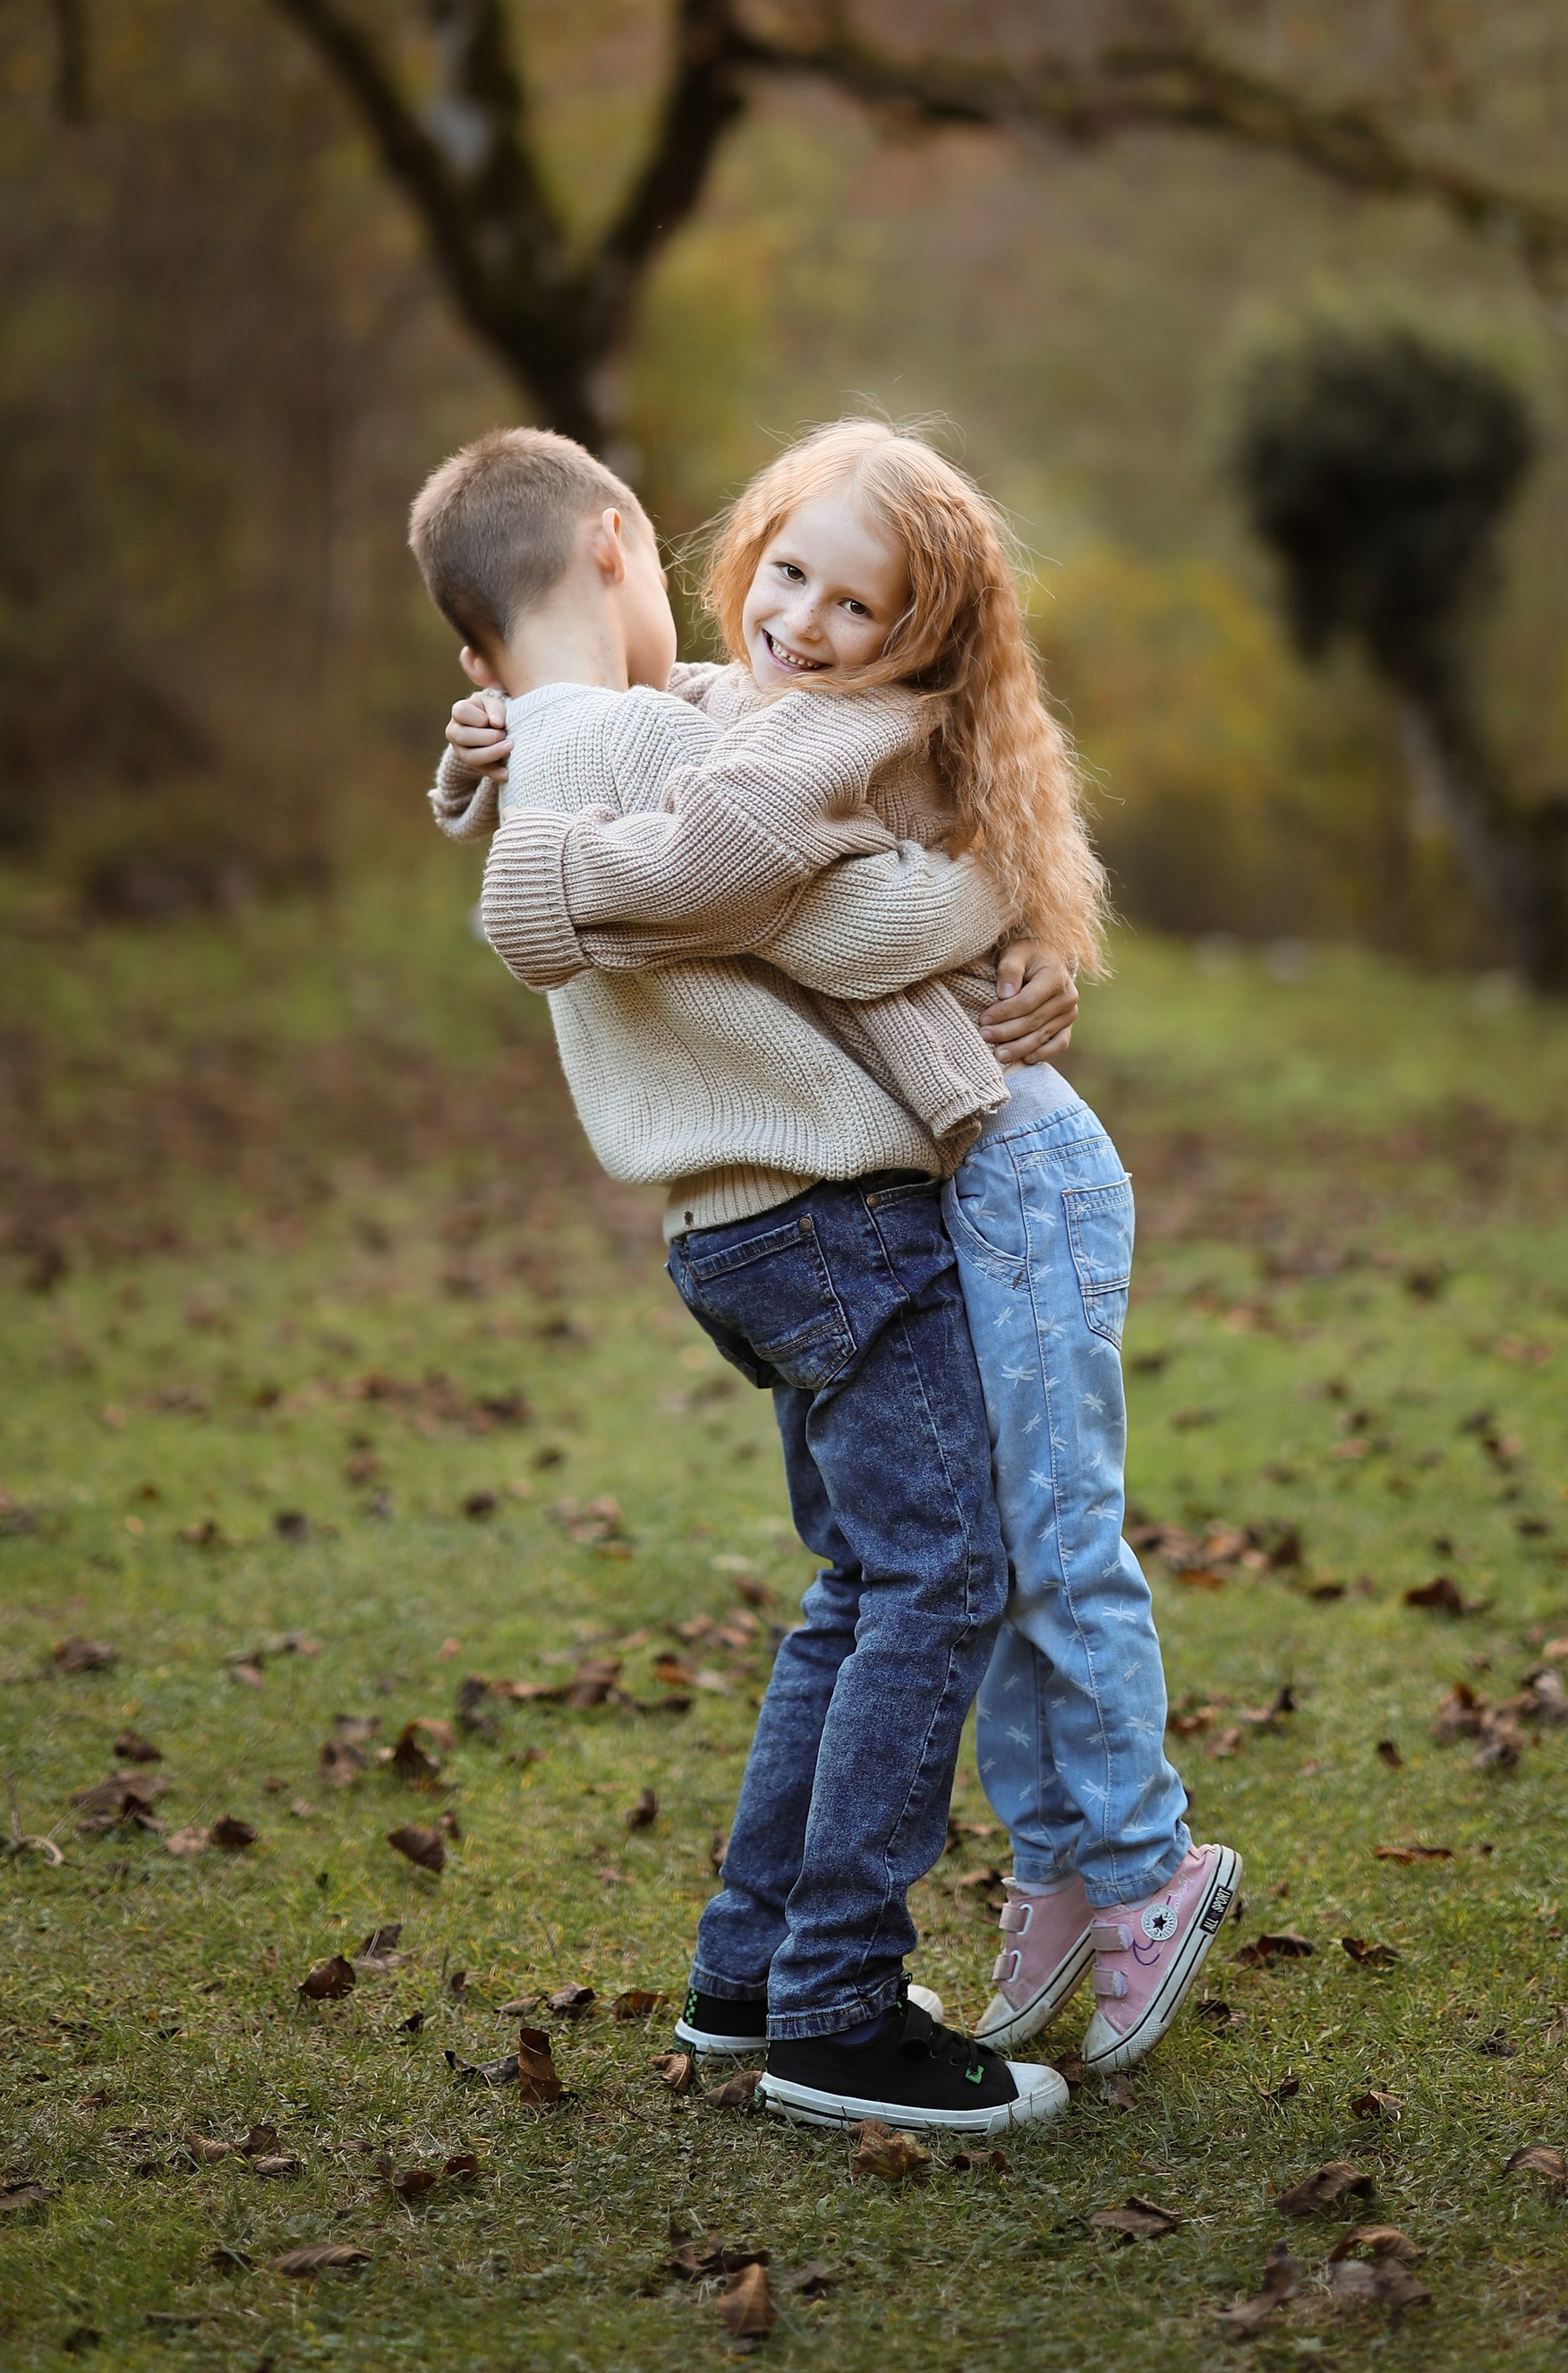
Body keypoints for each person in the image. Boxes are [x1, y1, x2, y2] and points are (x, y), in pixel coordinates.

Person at [435, 421, 1241, 2100]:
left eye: (840, 599)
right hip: (834, 1216)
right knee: (940, 1576)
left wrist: (484, 770)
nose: (785, 618)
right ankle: (837, 2009)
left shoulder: (595, 733)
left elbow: (720, 833)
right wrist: (980, 897)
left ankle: (748, 1976)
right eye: (777, 570)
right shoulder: (689, 752)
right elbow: (837, 922)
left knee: (861, 1589)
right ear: (615, 546)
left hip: (734, 1232)